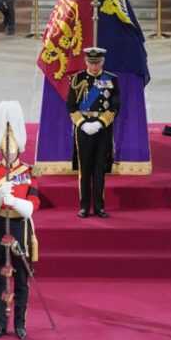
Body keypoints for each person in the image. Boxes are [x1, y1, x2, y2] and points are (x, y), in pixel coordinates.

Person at [0, 101, 40, 340]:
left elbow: (32, 207)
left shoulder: (29, 171)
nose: (8, 150)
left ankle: (20, 323)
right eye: (5, 146)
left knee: (22, 280)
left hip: (19, 226)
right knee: (0, 280)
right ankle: (0, 324)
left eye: (12, 145)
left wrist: (14, 201)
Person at [67, 48, 120, 218]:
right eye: (91, 62)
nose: (94, 66)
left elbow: (115, 106)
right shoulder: (78, 78)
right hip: (83, 128)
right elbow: (71, 105)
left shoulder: (111, 80)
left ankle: (99, 207)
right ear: (86, 61)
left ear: (102, 62)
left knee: (99, 169)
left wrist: (100, 122)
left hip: (102, 128)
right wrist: (82, 123)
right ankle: (84, 206)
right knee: (85, 169)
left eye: (97, 63)